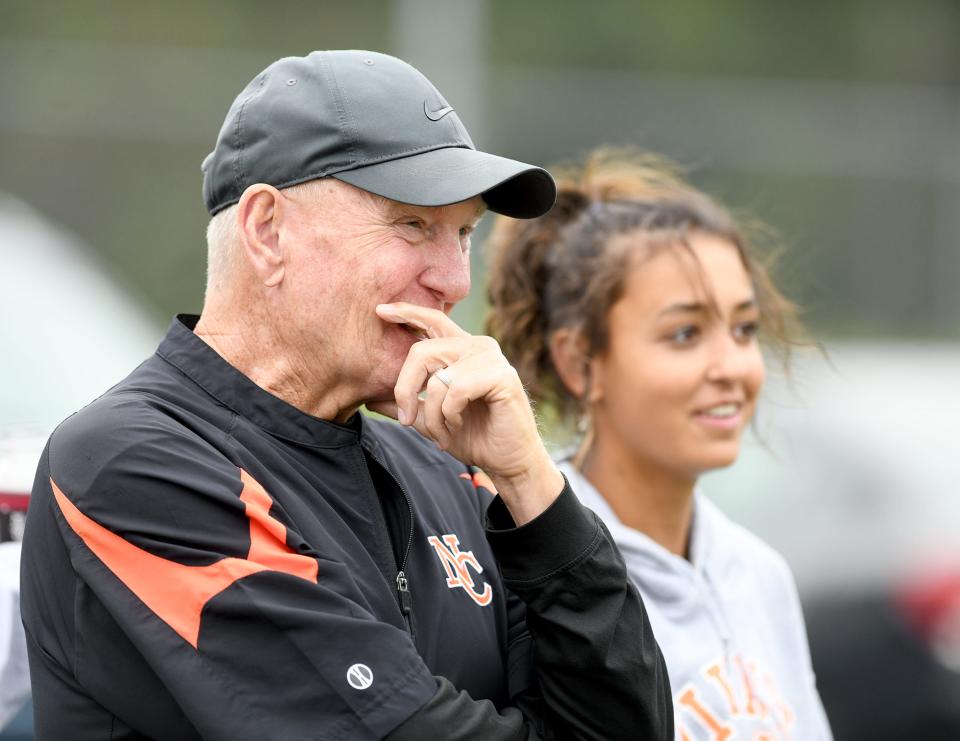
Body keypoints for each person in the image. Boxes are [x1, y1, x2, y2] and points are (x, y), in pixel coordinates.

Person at [19, 52, 672, 740]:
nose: (453, 280)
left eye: (465, 234)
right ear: (268, 230)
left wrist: (530, 481)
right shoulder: (128, 463)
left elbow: (630, 726)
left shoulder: (447, 467)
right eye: (414, 224)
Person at [486, 151, 832, 740]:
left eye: (744, 328)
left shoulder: (758, 573)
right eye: (684, 334)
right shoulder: (535, 566)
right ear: (580, 362)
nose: (731, 366)